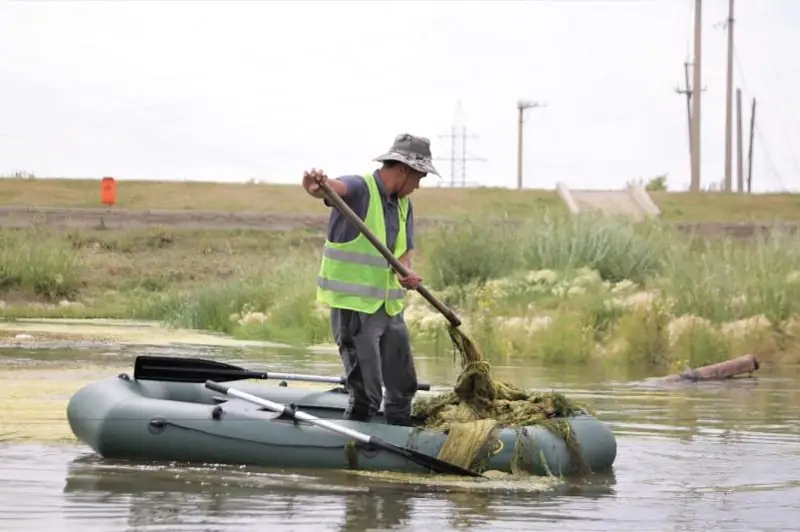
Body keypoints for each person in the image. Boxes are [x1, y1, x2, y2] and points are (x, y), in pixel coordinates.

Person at [302, 133, 440, 426]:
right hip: (356, 310)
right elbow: (329, 189)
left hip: (390, 311)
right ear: (403, 169)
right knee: (367, 394)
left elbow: (405, 251)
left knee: (403, 389)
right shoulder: (359, 188)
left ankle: (401, 439)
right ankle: (353, 455)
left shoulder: (404, 205)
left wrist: (407, 273)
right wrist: (316, 186)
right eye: (419, 176)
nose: (419, 184)